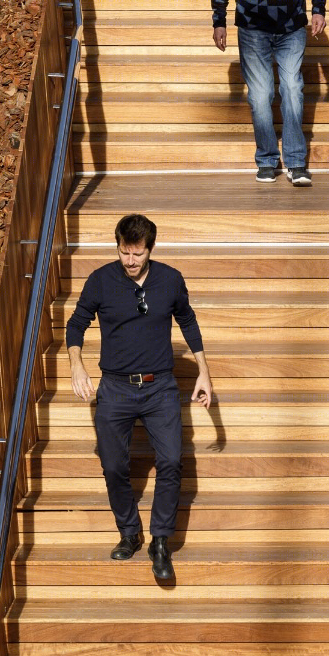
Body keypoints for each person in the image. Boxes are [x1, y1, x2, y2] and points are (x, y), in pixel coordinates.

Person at [66, 213, 212, 580]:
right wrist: (76, 366)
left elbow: (188, 321)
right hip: (114, 387)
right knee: (114, 465)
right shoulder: (101, 280)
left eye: (137, 255)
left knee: (171, 462)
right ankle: (129, 533)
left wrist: (204, 373)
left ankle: (160, 541)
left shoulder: (170, 279)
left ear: (151, 249)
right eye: (124, 253)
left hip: (160, 386)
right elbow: (77, 322)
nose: (130, 262)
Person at [210, 0, 327, 186]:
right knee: (261, 96)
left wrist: (319, 9)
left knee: (292, 88)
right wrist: (218, 19)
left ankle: (296, 162)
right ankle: (266, 159)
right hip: (253, 29)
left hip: (290, 27)